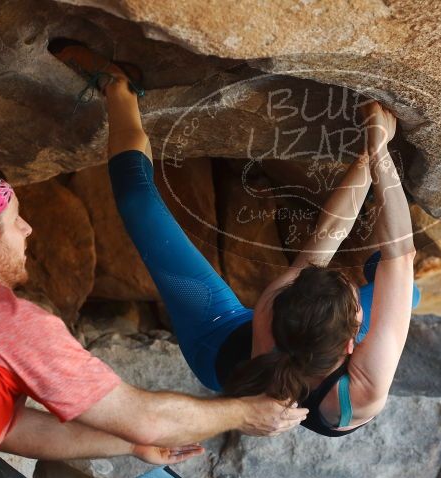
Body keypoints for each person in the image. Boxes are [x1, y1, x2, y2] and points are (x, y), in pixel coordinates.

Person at [51, 39, 419, 439]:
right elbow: (383, 251)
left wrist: (380, 150)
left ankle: (117, 88)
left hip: (216, 339)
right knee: (405, 292)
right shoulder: (350, 375)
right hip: (252, 348)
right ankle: (118, 88)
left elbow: (389, 252)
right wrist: (370, 156)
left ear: (352, 344)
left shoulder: (346, 376)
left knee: (137, 201)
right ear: (353, 342)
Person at [0, 169, 307, 478]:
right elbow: (145, 417)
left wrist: (131, 443)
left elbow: (8, 428)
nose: (28, 228)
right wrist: (244, 412)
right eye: (15, 219)